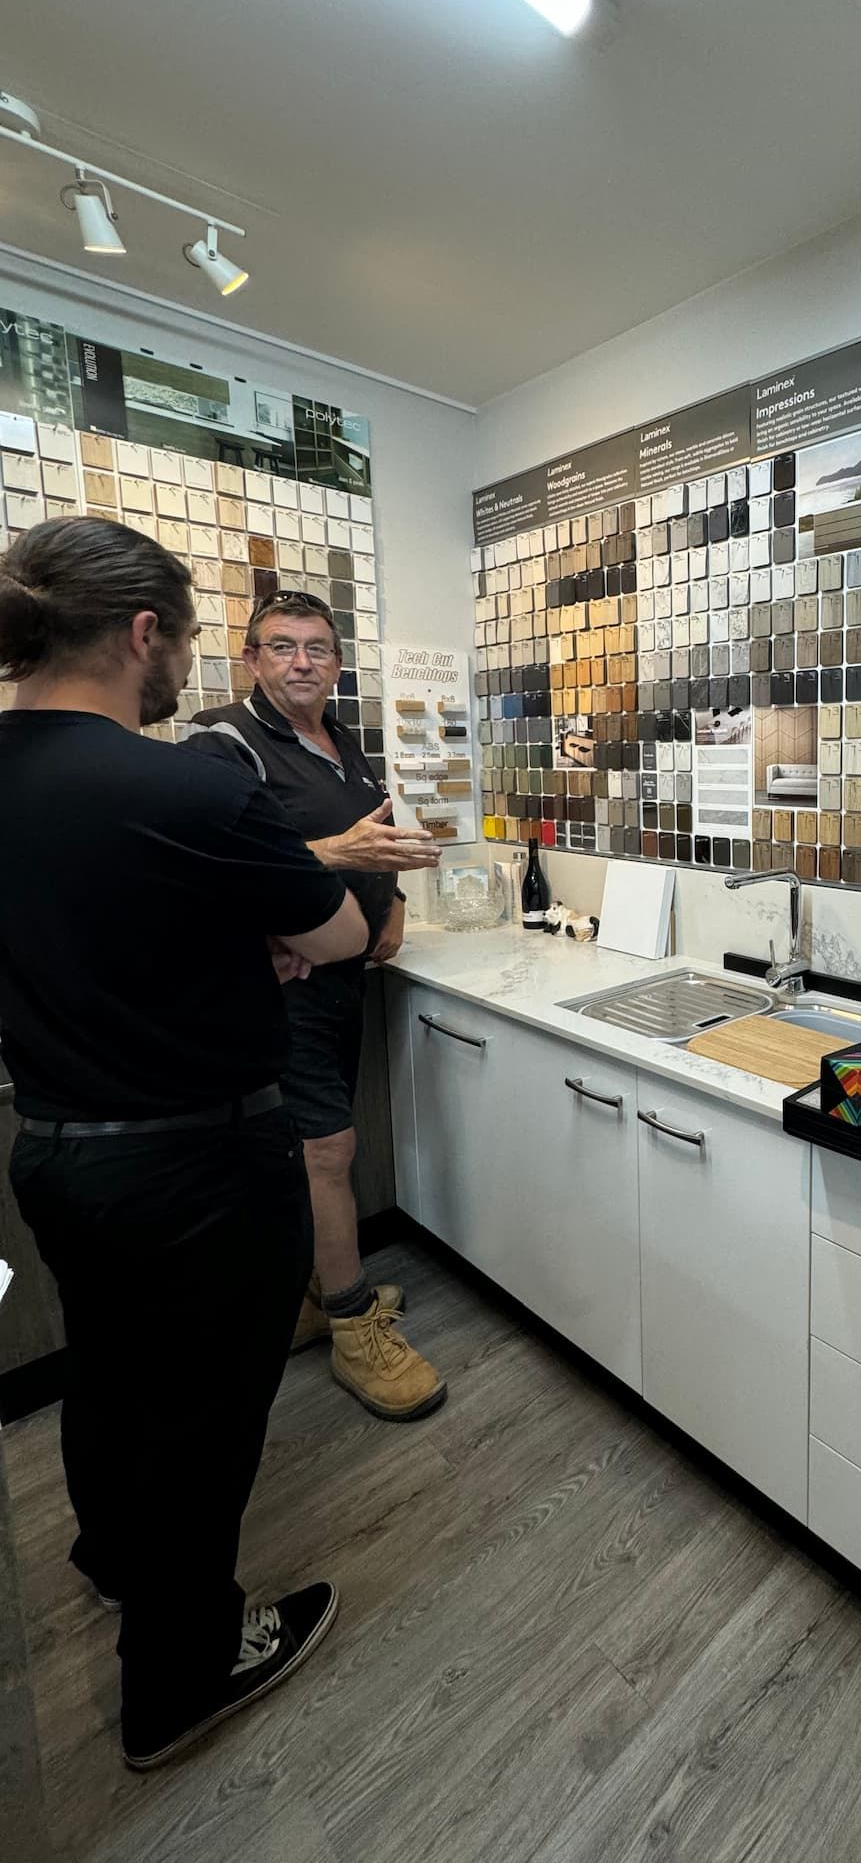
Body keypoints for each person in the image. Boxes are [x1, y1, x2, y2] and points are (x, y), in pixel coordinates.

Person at [0, 518, 371, 1770]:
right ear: (143, 631)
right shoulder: (182, 780)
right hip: (199, 1165)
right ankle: (180, 1670)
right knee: (205, 1423)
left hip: (54, 1147)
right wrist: (258, 940)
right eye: (194, 639)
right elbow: (332, 939)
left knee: (107, 1374)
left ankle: (112, 1562)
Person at [186, 590, 445, 1420]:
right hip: (281, 988)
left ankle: (315, 1289)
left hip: (341, 978)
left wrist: (391, 900)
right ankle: (352, 1325)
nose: (303, 662)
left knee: (316, 1151)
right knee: (328, 1151)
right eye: (283, 646)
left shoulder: (346, 741)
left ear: (337, 664)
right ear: (252, 659)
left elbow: (380, 837)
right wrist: (335, 853)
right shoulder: (221, 739)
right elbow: (206, 860)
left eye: (318, 649)